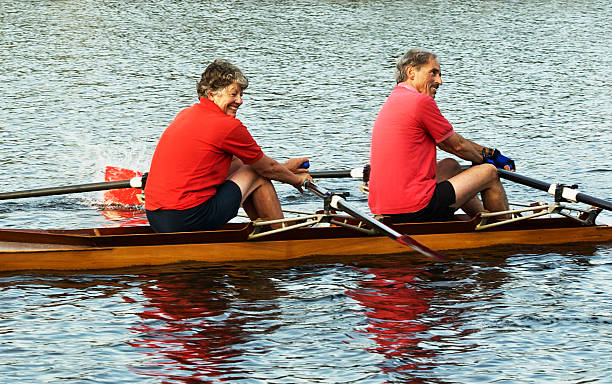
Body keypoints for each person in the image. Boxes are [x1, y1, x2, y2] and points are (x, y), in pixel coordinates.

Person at [144, 59, 312, 233]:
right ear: (211, 94)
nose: (239, 101)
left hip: (156, 218)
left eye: (241, 95)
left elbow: (241, 164)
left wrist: (284, 169)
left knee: (244, 165)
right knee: (255, 172)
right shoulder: (227, 126)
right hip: (187, 219)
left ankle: (264, 229)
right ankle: (280, 234)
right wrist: (297, 180)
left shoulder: (185, 114)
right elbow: (265, 168)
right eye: (233, 94)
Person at [369, 49, 515, 223]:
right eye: (433, 72)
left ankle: (482, 219)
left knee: (450, 166)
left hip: (384, 206)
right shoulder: (420, 102)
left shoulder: (396, 98)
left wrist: (491, 154)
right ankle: (503, 229)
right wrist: (484, 161)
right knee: (489, 173)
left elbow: (453, 141)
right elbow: (455, 146)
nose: (439, 81)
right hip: (414, 208)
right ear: (411, 72)